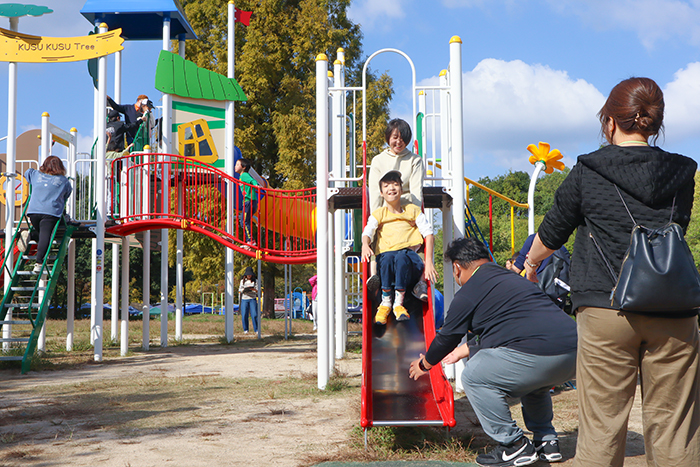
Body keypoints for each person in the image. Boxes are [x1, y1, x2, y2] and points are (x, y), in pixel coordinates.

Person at [524, 77, 700, 467]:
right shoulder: (683, 173)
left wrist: (531, 264)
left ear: (610, 121)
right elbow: (676, 228)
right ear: (654, 123)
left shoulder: (588, 170)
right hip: (674, 309)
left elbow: (552, 232)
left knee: (602, 428)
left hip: (607, 308)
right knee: (676, 427)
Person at [409, 237, 577, 467]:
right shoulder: (512, 279)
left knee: (474, 376)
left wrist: (424, 364)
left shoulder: (470, 291)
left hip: (536, 353)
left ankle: (513, 445)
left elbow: (447, 336)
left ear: (457, 267)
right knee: (534, 383)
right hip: (575, 353)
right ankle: (546, 442)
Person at [361, 170, 437, 324]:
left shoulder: (413, 211)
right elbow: (368, 231)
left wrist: (428, 262)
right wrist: (364, 244)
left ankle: (398, 303)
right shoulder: (379, 214)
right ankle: (386, 302)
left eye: (395, 185)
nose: (391, 188)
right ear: (381, 193)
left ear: (402, 190)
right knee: (387, 256)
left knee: (401, 255)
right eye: (387, 186)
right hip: (388, 263)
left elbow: (428, 234)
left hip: (410, 262)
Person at [366, 118, 426, 300]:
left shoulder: (414, 160)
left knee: (413, 242)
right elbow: (376, 193)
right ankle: (374, 276)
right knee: (378, 238)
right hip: (385, 212)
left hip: (406, 213)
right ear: (388, 138)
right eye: (394, 137)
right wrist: (377, 217)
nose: (398, 142)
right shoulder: (378, 161)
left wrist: (411, 215)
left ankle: (418, 281)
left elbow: (416, 192)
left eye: (402, 138)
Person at [18, 156, 73, 275]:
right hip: (50, 212)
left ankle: (31, 234)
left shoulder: (35, 175)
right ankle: (38, 263)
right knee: (45, 236)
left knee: (42, 234)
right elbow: (67, 194)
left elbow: (28, 172)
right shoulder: (63, 181)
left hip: (33, 212)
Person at [234, 157, 260, 249]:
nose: (235, 166)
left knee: (244, 222)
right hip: (250, 201)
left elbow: (252, 180)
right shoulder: (241, 176)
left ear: (243, 167)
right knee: (245, 222)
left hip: (249, 201)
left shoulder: (244, 175)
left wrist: (256, 185)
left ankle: (250, 240)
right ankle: (250, 240)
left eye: (237, 164)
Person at [238, 266, 259, 334]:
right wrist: (244, 290)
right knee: (244, 314)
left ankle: (256, 329)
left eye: (250, 274)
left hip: (252, 299)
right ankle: (245, 329)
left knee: (254, 314)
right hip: (245, 299)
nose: (249, 276)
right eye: (248, 274)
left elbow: (257, 290)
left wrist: (252, 289)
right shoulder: (242, 281)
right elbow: (240, 290)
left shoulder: (256, 281)